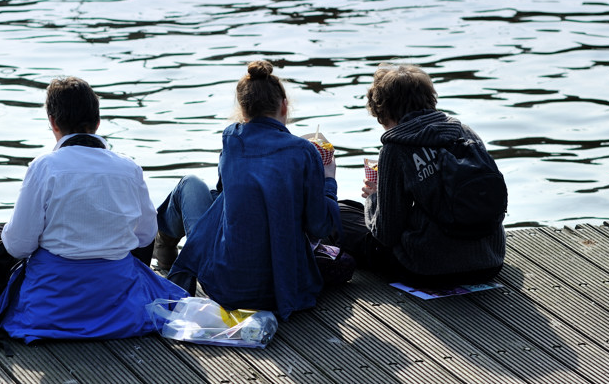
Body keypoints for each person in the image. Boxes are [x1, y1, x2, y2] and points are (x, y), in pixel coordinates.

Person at [0, 76, 186, 343]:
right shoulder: (128, 168)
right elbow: (145, 236)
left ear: (53, 123)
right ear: (97, 123)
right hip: (116, 302)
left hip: (54, 308)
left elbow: (18, 246)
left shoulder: (44, 167)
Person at [158, 60, 342, 320]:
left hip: (226, 289)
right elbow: (320, 228)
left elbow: (224, 193)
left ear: (242, 111)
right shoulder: (304, 152)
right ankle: (164, 247)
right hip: (285, 290)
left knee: (190, 184)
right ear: (284, 106)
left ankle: (163, 247)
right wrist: (328, 180)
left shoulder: (231, 139)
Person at [341, 64, 506, 290]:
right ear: (430, 98)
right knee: (353, 209)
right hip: (490, 262)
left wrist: (374, 197)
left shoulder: (396, 148)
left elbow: (386, 234)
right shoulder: (465, 133)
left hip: (427, 270)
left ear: (383, 111)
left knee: (339, 214)